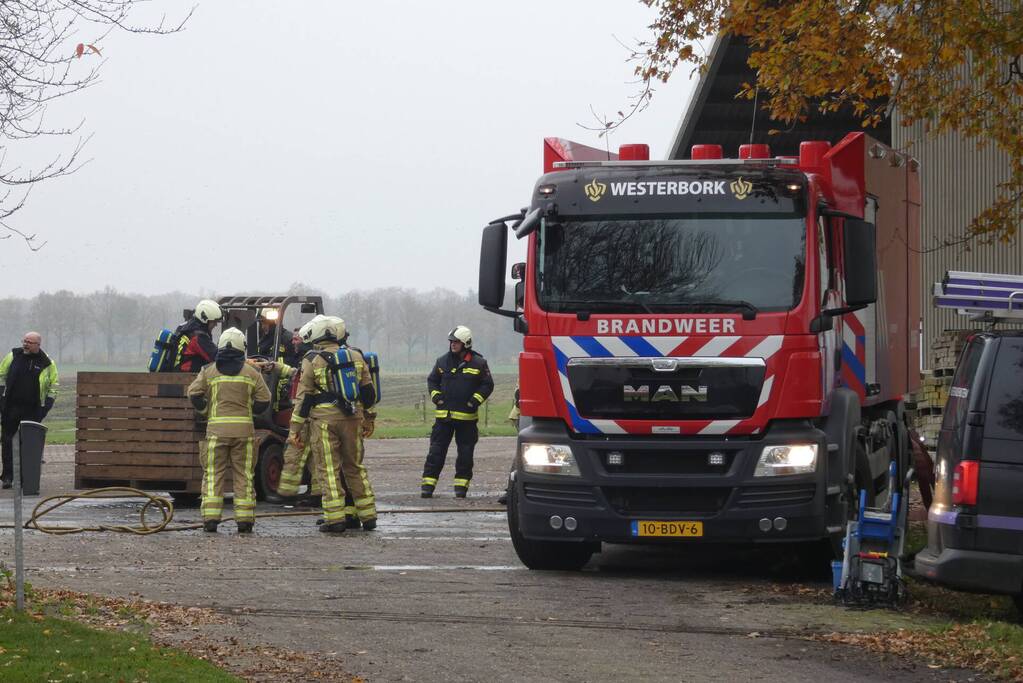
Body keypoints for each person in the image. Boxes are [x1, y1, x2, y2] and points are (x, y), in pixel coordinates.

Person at [288, 316, 378, 533]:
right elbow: (369, 393)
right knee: (354, 467)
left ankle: (335, 519)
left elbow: (304, 399)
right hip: (354, 420)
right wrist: (368, 418)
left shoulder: (311, 359)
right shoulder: (356, 356)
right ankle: (368, 515)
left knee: (328, 470)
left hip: (325, 423)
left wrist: (295, 430)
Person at [187, 327, 271, 533]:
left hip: (216, 432)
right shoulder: (252, 372)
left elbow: (194, 394)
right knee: (244, 475)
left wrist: (206, 410)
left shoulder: (209, 371)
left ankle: (210, 520)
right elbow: (265, 399)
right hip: (244, 433)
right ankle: (244, 521)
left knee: (214, 474)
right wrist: (250, 413)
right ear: (243, 346)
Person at [420, 325, 493, 499]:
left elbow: (487, 385)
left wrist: (474, 401)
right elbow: (432, 380)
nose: (453, 344)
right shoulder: (442, 361)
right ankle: (427, 487)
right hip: (443, 418)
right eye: (451, 341)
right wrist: (436, 397)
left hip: (467, 419)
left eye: (456, 342)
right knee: (436, 453)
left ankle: (461, 488)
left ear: (466, 343)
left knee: (465, 455)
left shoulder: (479, 363)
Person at [0, 332, 58, 489]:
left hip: (33, 410)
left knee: (29, 444)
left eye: (29, 342)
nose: (25, 344)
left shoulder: (47, 363)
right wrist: (2, 400)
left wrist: (45, 407)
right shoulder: (13, 356)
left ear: (38, 345)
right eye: (24, 341)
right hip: (10, 408)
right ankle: (7, 477)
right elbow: (1, 375)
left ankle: (27, 479)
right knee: (7, 442)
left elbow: (54, 387)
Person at [176, 299, 223, 372]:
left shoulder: (186, 328)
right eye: (214, 321)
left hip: (179, 376)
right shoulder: (198, 337)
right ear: (205, 319)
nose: (216, 325)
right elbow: (217, 357)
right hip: (187, 379)